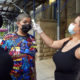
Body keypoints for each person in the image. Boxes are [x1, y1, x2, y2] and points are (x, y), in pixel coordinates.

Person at [1, 13, 37, 80]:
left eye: (29, 22)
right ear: (18, 23)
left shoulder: (32, 39)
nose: (27, 24)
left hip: (29, 76)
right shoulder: (8, 38)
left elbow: (33, 59)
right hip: (13, 77)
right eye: (25, 22)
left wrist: (35, 76)